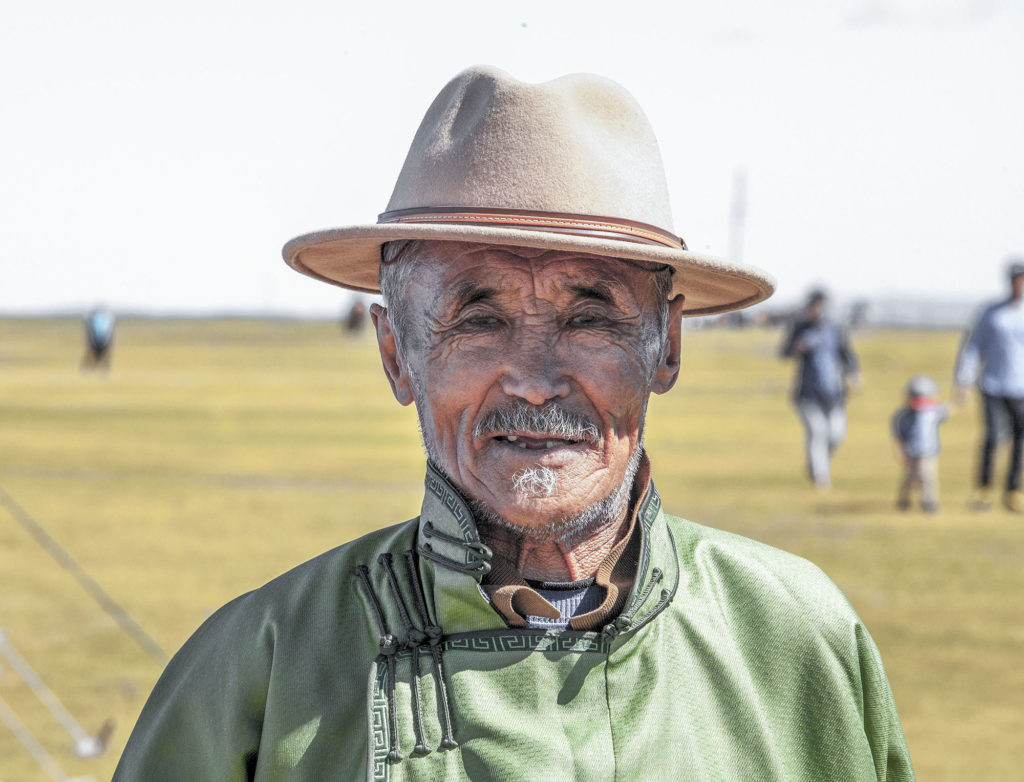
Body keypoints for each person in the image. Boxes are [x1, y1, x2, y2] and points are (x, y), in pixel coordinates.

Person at [115, 67, 913, 780]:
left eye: (590, 316)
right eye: (477, 318)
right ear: (396, 354)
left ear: (665, 347)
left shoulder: (797, 640)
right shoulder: (263, 666)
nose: (534, 382)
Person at [954, 260, 1024, 512]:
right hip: (993, 384)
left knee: (1020, 440)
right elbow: (973, 347)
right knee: (993, 437)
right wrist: (964, 379)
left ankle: (1013, 491)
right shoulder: (991, 312)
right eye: (1016, 280)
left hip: (1021, 388)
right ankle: (983, 489)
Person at [781, 289, 862, 490]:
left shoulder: (835, 329)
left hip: (834, 394)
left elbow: (848, 355)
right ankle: (821, 479)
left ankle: (816, 465)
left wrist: (853, 375)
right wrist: (796, 348)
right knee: (818, 432)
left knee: (836, 435)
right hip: (808, 394)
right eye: (812, 306)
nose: (816, 310)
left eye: (819, 306)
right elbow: (784, 352)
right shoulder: (800, 328)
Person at [892, 375, 949, 513]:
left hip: (929, 452)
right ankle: (903, 501)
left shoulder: (933, 413)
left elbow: (946, 411)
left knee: (927, 476)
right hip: (911, 451)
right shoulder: (903, 416)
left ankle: (929, 502)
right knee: (909, 477)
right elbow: (898, 435)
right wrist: (900, 450)